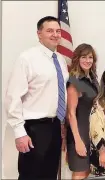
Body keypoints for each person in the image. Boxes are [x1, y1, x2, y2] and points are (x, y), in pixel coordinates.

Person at [5, 16, 69, 180]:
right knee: (31, 175)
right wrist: (20, 132)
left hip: (55, 127)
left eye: (58, 31)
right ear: (39, 34)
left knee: (50, 174)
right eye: (50, 31)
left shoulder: (60, 60)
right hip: (34, 129)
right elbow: (13, 97)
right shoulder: (27, 58)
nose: (55, 34)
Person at [65, 43, 99, 180]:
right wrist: (78, 140)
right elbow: (70, 113)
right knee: (79, 173)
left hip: (91, 133)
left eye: (90, 57)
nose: (87, 60)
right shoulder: (74, 81)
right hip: (78, 134)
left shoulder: (93, 79)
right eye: (84, 57)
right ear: (77, 59)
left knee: (86, 172)